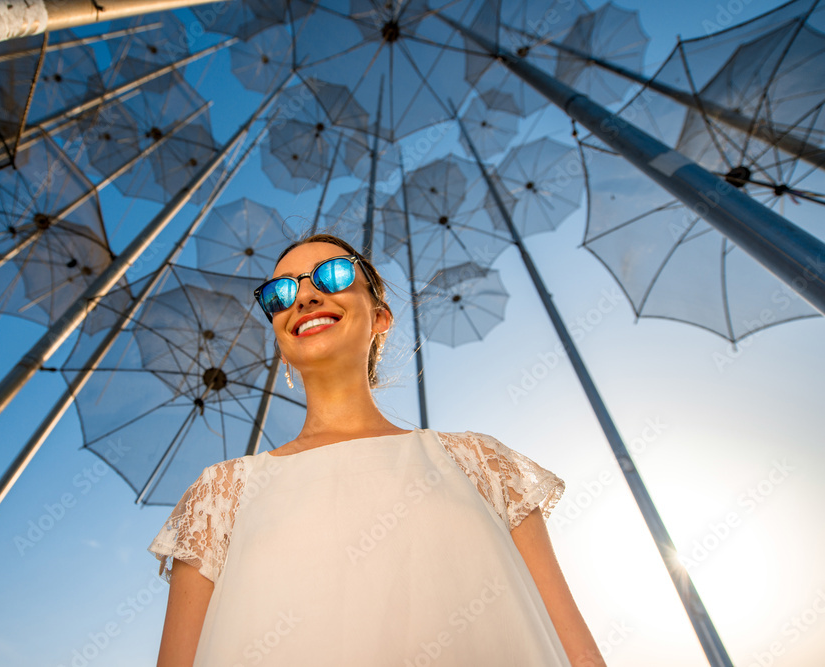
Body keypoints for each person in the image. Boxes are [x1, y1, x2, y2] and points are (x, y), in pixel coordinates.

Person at [148, 233, 605, 667]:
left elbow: (577, 651)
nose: (303, 298)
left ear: (380, 317)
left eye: (332, 276)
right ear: (281, 344)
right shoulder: (218, 495)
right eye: (279, 294)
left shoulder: (482, 463)